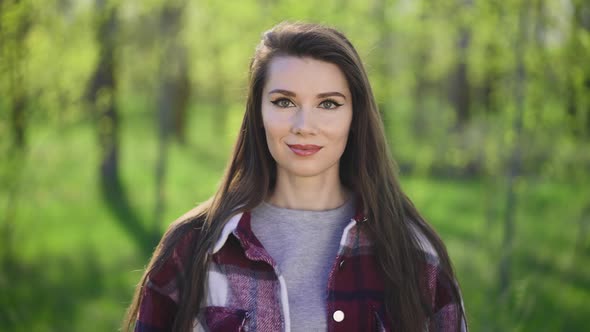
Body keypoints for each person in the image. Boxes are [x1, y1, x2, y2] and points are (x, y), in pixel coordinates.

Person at [123, 22, 467, 332]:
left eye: (328, 104)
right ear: (258, 112)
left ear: (355, 115)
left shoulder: (413, 252)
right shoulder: (194, 247)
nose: (304, 127)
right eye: (284, 102)